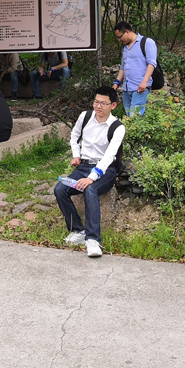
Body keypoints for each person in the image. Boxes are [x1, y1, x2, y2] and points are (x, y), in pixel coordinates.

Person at [54, 87, 125, 258]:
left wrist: (92, 178)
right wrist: (76, 155)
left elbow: (109, 156)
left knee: (90, 189)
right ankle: (78, 230)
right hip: (83, 166)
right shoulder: (85, 116)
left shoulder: (117, 127)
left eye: (103, 103)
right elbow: (74, 135)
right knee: (60, 189)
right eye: (96, 102)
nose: (98, 106)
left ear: (113, 105)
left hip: (106, 169)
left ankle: (93, 239)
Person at [112, 21, 156, 116]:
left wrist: (144, 82)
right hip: (127, 89)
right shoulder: (125, 48)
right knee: (129, 117)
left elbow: (152, 63)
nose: (119, 40)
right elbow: (123, 67)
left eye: (120, 37)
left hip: (140, 88)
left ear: (127, 32)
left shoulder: (147, 42)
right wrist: (117, 83)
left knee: (135, 117)